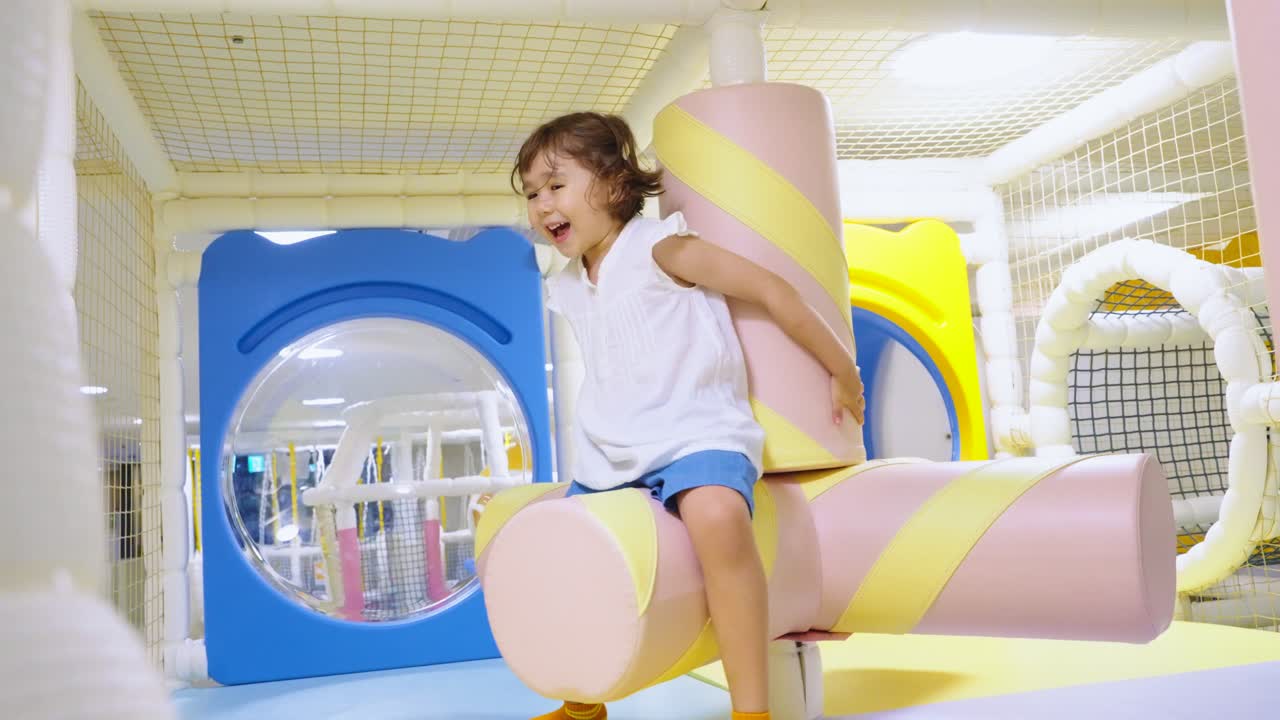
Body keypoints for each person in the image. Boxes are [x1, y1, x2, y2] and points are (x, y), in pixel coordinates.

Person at [514, 111, 865, 720]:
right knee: (569, 555)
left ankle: (751, 710)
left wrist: (843, 370)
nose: (543, 206)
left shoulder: (661, 248)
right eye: (532, 194)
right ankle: (582, 702)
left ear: (614, 184)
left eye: (556, 184)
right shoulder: (568, 282)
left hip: (695, 434)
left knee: (718, 516)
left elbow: (773, 291)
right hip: (610, 454)